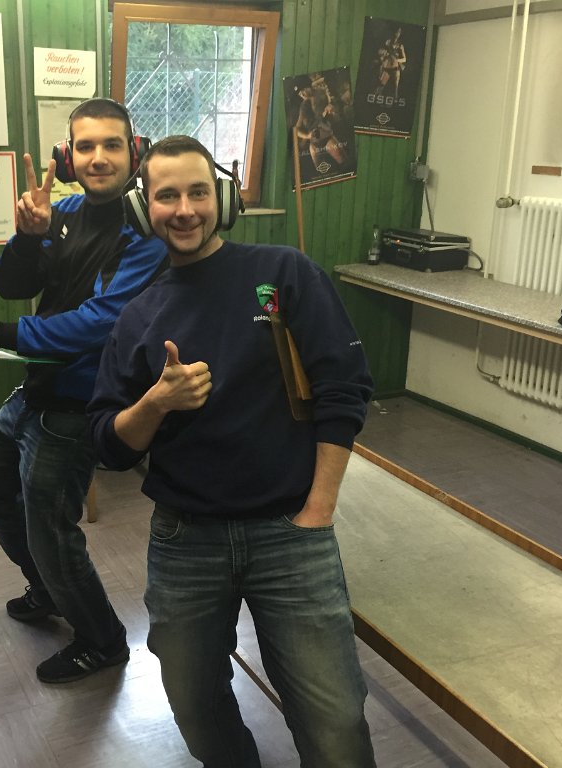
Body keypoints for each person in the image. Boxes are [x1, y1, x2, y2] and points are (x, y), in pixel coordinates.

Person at [87, 136, 377, 767]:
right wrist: (156, 403)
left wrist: (319, 510)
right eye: (167, 196)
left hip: (290, 531)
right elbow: (109, 444)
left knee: (334, 723)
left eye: (198, 192)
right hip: (185, 541)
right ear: (143, 209)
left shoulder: (282, 274)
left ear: (221, 198)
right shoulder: (138, 316)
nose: (184, 210)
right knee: (196, 708)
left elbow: (344, 388)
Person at [0, 98, 168, 684]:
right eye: (85, 146)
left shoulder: (146, 233)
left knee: (50, 531)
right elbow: (14, 284)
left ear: (134, 152)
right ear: (68, 156)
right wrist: (26, 236)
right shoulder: (60, 212)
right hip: (37, 385)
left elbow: (99, 322)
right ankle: (47, 587)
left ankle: (103, 641)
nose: (98, 157)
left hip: (82, 401)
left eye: (111, 145)